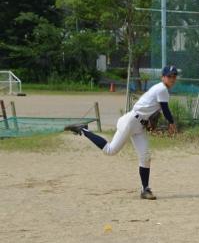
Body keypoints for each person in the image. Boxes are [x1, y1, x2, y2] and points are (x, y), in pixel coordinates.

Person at [65, 65, 180, 200]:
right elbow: (165, 110)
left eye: (174, 76)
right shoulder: (162, 89)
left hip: (139, 126)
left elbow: (151, 110)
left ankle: (145, 190)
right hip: (130, 122)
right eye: (169, 76)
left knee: (145, 157)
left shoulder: (161, 90)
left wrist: (149, 122)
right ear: (163, 77)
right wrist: (171, 123)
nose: (172, 78)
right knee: (110, 150)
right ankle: (84, 130)